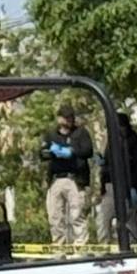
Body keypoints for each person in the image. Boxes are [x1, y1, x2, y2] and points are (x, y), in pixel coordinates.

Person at [39, 105, 94, 250]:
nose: (68, 120)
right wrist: (52, 152)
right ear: (59, 118)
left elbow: (88, 151)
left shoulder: (80, 133)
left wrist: (72, 151)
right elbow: (42, 153)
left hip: (75, 179)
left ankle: (80, 247)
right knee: (55, 216)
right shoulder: (51, 135)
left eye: (70, 117)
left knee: (77, 215)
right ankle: (58, 247)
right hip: (56, 178)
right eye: (65, 117)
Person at [94, 113, 137, 244]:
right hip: (111, 187)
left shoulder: (136, 144)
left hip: (129, 187)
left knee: (129, 223)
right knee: (103, 219)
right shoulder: (111, 143)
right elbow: (110, 166)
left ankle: (133, 250)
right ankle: (105, 250)